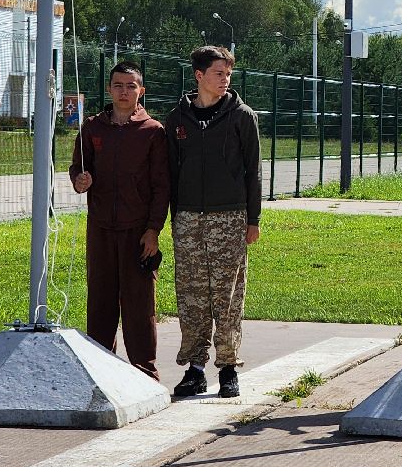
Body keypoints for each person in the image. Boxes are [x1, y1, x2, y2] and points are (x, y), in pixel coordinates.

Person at [165, 45, 262, 399]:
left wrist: (253, 219)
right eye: (219, 74)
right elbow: (171, 174)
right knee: (191, 295)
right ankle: (195, 368)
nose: (225, 80)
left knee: (228, 296)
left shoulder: (241, 117)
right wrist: (173, 219)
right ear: (199, 76)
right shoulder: (177, 119)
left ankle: (228, 368)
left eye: (229, 74)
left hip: (230, 217)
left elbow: (253, 172)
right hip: (188, 218)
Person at [69, 62, 168, 380]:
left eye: (131, 85)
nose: (124, 92)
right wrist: (80, 179)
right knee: (100, 299)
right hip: (100, 228)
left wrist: (153, 230)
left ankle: (144, 372)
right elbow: (77, 168)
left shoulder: (153, 132)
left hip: (138, 231)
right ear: (109, 89)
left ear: (141, 91)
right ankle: (100, 369)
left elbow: (161, 186)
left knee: (139, 303)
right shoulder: (92, 128)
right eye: (118, 85)